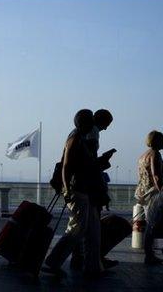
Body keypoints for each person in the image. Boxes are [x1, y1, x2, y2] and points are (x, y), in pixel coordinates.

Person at [44, 109, 108, 278]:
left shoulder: (81, 139)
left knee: (92, 230)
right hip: (77, 189)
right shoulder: (75, 139)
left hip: (85, 189)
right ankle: (53, 261)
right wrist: (67, 190)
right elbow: (66, 166)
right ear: (84, 123)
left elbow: (86, 165)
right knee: (77, 229)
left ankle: (93, 266)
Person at [71, 109, 117, 270]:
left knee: (81, 226)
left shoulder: (77, 135)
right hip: (86, 187)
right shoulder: (91, 133)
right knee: (88, 228)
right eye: (107, 124)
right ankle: (90, 262)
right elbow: (89, 164)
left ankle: (83, 260)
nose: (106, 128)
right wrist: (103, 160)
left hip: (80, 186)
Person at [135, 130, 163, 265]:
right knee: (159, 226)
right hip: (155, 194)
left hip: (145, 193)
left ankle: (155, 254)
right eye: (162, 140)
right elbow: (156, 175)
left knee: (155, 225)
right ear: (156, 141)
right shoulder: (155, 154)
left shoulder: (142, 156)